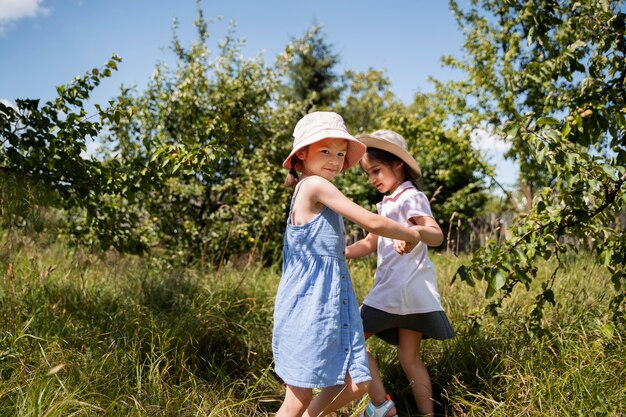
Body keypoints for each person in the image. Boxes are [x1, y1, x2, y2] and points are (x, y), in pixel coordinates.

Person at [273, 113, 422, 417]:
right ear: (303, 153)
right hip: (310, 305)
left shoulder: (315, 190)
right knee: (298, 398)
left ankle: (367, 410)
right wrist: (413, 234)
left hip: (332, 302)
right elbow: (370, 220)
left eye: (341, 154)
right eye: (325, 151)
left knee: (359, 379)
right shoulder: (314, 185)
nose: (335, 160)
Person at [345, 130, 455, 417]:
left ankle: (381, 405)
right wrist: (341, 253)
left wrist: (414, 232)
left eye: (376, 170)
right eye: (368, 174)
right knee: (409, 358)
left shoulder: (410, 197)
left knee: (348, 338)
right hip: (413, 294)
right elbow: (371, 243)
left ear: (398, 164)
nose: (372, 179)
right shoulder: (387, 203)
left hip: (393, 290)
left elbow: (435, 234)